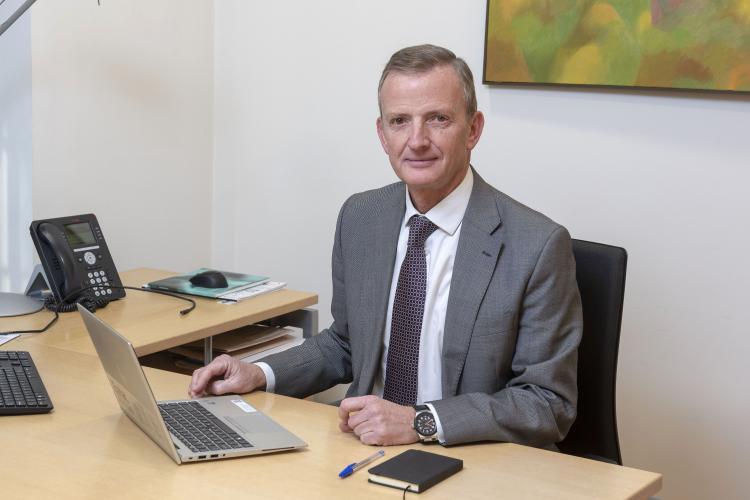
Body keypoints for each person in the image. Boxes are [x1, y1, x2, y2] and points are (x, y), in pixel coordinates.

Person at [189, 44, 582, 449]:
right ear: (382, 134)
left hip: (472, 457)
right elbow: (344, 344)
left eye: (438, 119)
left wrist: (420, 422)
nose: (417, 140)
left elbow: (547, 403)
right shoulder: (361, 216)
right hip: (362, 446)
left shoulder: (536, 245)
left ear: (473, 129)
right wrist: (260, 373)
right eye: (399, 121)